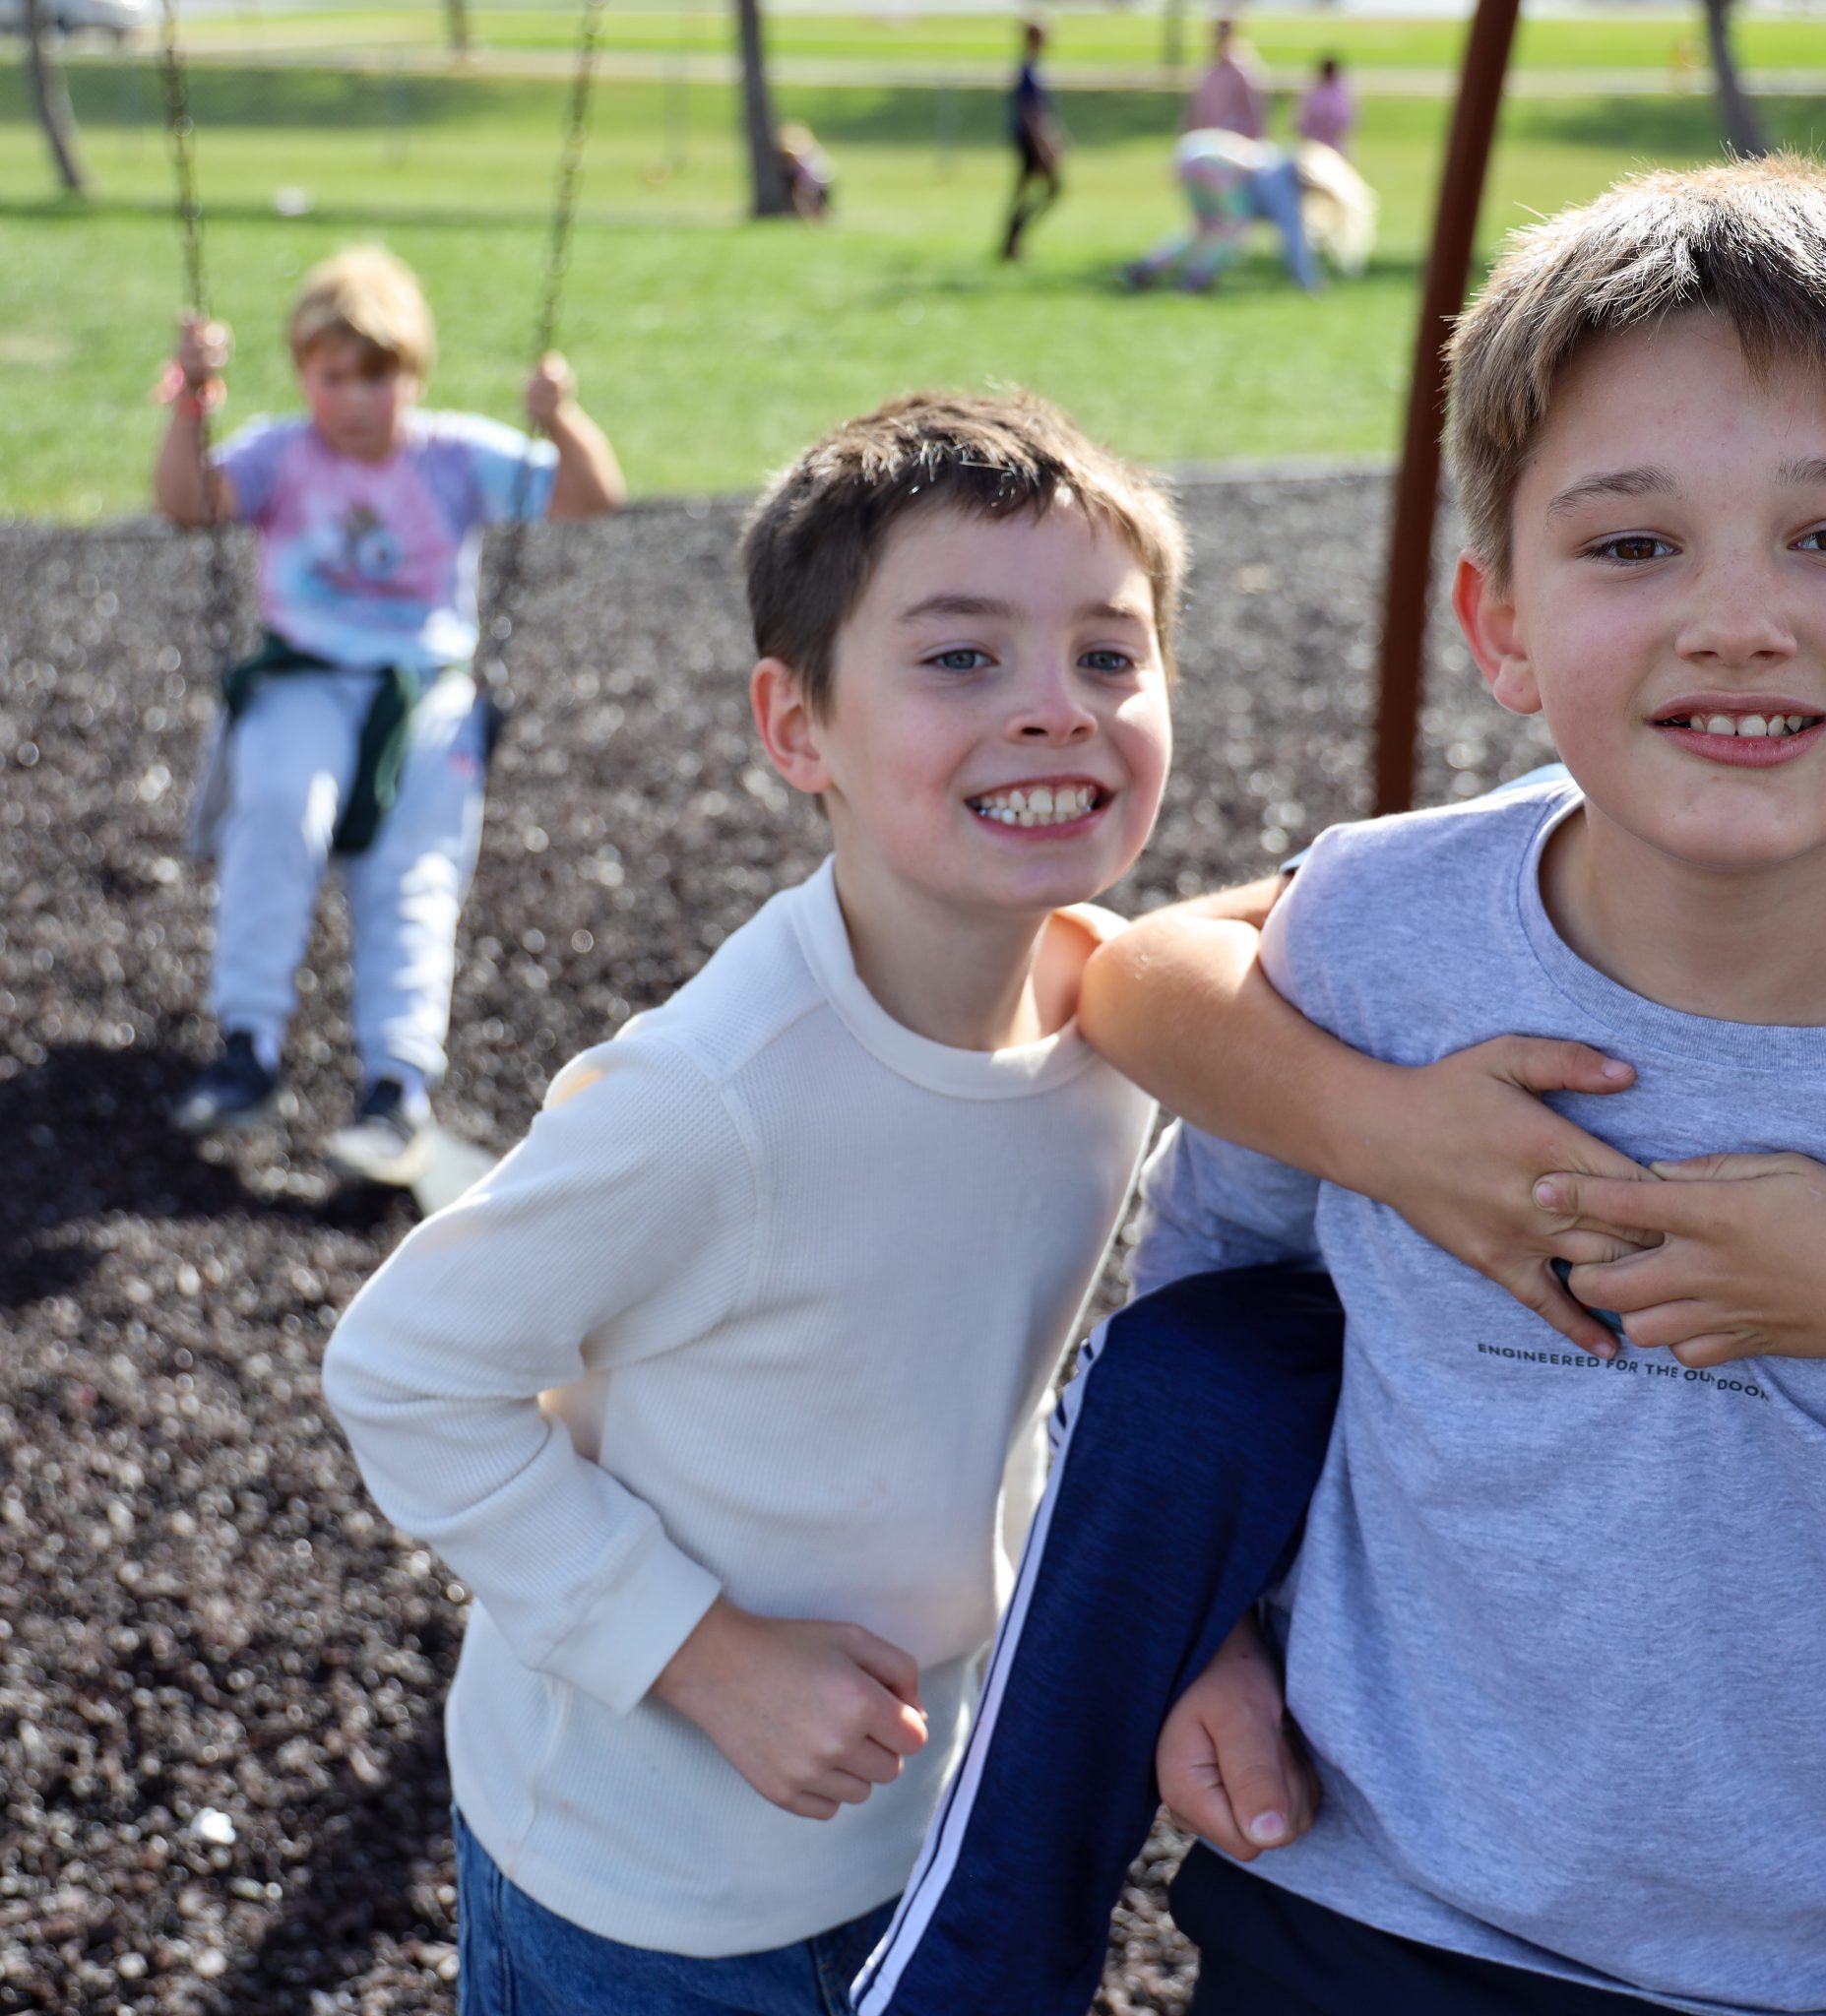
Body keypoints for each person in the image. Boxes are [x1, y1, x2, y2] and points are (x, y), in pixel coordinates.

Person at [853, 175, 1826, 2016]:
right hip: (1354, 1904)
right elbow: (1201, 1232)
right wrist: (1212, 1605)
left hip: (1815, 1961)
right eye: (1633, 546)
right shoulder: (1394, 924)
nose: (1740, 620)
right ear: (1501, 617)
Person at [320, 390, 1184, 2016]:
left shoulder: (1117, 1025)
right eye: (960, 657)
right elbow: (403, 1368)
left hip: (927, 1808)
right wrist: (705, 1652)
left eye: (1110, 654)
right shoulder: (714, 1099)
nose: (1056, 709)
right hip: (645, 1874)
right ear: (798, 729)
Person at [155, 245, 624, 1184]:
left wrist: (560, 421)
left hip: (424, 695)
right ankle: (246, 1045)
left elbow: (590, 499)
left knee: (413, 878)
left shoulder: (452, 455)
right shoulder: (282, 453)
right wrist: (190, 407)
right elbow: (188, 507)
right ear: (303, 376)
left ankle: (395, 1086)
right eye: (333, 377)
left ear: (412, 377)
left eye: (377, 377)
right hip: (302, 677)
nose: (356, 399)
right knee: (281, 809)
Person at [1124, 131, 1374, 295]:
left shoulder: (1273, 159)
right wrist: (1310, 285)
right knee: (1234, 230)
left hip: (1192, 156)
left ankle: (1148, 268)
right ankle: (1197, 278)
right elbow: (1294, 240)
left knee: (1203, 231)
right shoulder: (1284, 185)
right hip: (1214, 167)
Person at [1002, 19, 1062, 261]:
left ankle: (1012, 242)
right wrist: (1043, 143)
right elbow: (1030, 112)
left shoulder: (1034, 68)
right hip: (1030, 141)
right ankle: (1013, 240)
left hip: (1033, 139)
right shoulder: (1027, 71)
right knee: (1052, 189)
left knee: (1024, 191)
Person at [1183, 16, 1266, 140]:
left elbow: (1254, 116)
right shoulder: (1208, 72)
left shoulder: (1241, 72)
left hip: (1236, 140)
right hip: (1208, 139)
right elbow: (1197, 114)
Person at [1295, 54, 1354, 156]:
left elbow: (1302, 121)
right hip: (1323, 146)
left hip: (1319, 145)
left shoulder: (1313, 90)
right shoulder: (1341, 92)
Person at [780, 120, 835, 221]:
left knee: (804, 200)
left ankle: (809, 220)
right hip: (817, 181)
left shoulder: (801, 151)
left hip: (811, 182)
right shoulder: (813, 150)